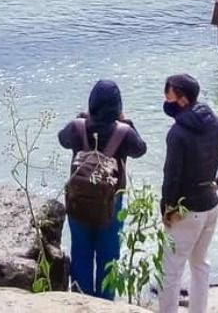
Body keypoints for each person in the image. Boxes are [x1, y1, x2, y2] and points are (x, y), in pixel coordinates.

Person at [157, 73, 218, 313]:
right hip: (211, 206)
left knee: (171, 270)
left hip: (187, 211)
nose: (165, 98)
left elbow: (171, 176)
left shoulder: (177, 133)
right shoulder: (216, 122)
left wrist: (167, 208)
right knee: (200, 265)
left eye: (169, 93)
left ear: (183, 100)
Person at [56, 80, 148, 298]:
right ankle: (105, 303)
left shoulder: (77, 127)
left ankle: (80, 301)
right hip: (111, 203)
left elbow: (62, 139)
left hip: (78, 200)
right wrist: (128, 122)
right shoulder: (124, 132)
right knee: (109, 256)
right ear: (118, 106)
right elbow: (140, 150)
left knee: (81, 252)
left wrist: (82, 117)